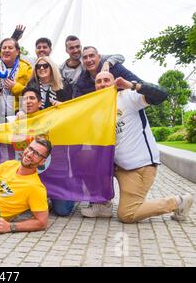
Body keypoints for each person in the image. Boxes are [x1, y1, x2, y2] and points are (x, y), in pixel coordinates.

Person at [80, 65, 194, 221]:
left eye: (107, 80)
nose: (102, 84)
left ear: (114, 83)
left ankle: (178, 201)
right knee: (85, 158)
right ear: (95, 86)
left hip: (138, 167)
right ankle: (102, 204)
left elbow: (162, 95)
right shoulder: (97, 108)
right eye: (98, 81)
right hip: (116, 165)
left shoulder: (128, 97)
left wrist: (133, 85)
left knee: (127, 214)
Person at [15, 87, 76, 216]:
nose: (28, 101)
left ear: (40, 103)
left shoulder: (51, 118)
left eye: (32, 98)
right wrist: (20, 124)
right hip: (32, 174)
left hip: (55, 173)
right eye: (25, 99)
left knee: (62, 211)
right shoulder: (15, 121)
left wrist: (63, 110)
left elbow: (72, 123)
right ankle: (42, 195)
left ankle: (70, 191)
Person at [74, 46, 142, 98]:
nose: (88, 60)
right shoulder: (81, 82)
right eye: (85, 57)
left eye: (91, 56)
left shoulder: (116, 68)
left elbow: (141, 84)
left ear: (99, 57)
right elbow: (77, 104)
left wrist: (129, 85)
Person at [59, 35, 125, 86]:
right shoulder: (61, 69)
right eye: (71, 48)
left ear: (81, 47)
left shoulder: (89, 58)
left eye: (77, 47)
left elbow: (120, 57)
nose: (75, 50)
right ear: (66, 50)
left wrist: (107, 63)